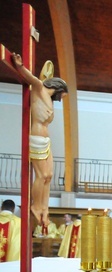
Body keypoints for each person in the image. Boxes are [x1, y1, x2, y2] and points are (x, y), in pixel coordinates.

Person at [11, 54, 68, 226]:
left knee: (49, 175)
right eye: (64, 94)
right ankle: (36, 206)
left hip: (46, 140)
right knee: (41, 174)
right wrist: (20, 67)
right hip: (36, 137)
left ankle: (44, 207)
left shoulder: (49, 101)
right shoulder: (39, 89)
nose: (63, 97)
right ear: (59, 88)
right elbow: (33, 79)